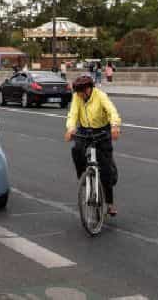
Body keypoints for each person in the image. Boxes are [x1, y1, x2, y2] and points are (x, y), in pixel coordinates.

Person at [65, 73, 122, 217]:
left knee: (106, 170)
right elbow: (73, 114)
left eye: (81, 92)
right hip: (84, 130)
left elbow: (111, 111)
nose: (79, 95)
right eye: (77, 92)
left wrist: (115, 126)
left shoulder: (100, 96)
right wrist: (70, 128)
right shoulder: (77, 97)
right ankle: (83, 175)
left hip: (102, 130)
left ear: (89, 89)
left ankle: (109, 203)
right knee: (76, 149)